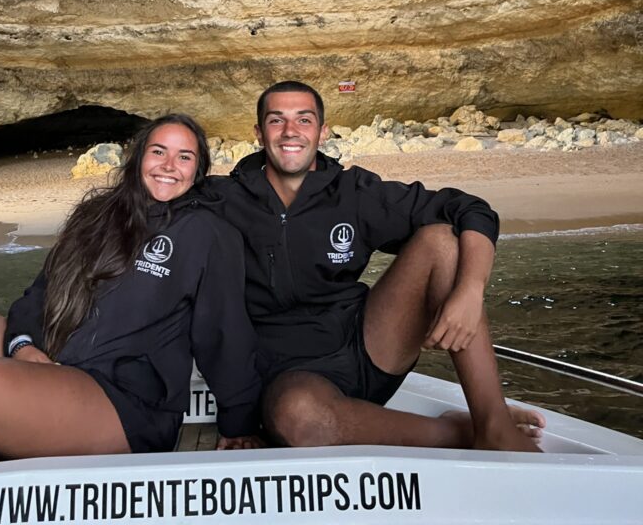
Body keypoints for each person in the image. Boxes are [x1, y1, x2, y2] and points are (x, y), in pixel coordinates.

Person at [0, 114, 262, 475]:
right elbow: (39, 295)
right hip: (58, 363)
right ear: (138, 158)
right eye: (158, 151)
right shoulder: (97, 215)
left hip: (123, 402)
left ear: (198, 171)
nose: (168, 165)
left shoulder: (209, 234)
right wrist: (22, 346)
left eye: (184, 156)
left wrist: (239, 422)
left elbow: (223, 333)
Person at [204, 81, 544, 451]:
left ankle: (492, 421)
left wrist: (470, 291)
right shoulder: (221, 200)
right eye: (276, 121)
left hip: (369, 348)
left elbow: (470, 209)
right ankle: (462, 433)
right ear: (258, 133)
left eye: (304, 120)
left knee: (442, 240)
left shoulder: (354, 192)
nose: (291, 132)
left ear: (322, 131)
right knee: (301, 417)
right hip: (289, 377)